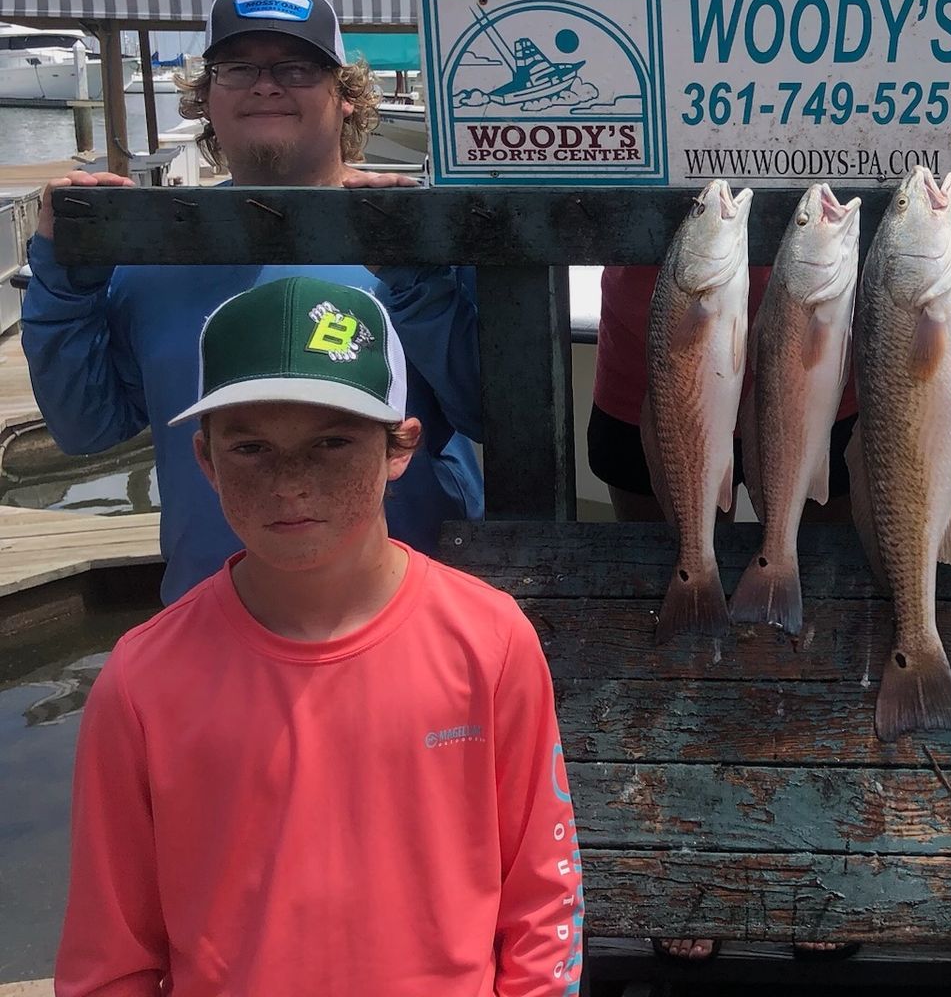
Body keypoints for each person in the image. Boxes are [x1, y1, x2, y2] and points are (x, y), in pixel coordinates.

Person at [55, 275, 584, 994]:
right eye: (251, 449)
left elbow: (542, 898)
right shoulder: (140, 682)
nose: (290, 483)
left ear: (400, 447)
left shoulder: (489, 642)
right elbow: (111, 955)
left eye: (332, 442)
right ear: (205, 459)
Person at [589, 0, 852, 964]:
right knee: (677, 637)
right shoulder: (614, 21)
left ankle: (819, 858)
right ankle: (685, 856)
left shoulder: (848, 17)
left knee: (821, 623)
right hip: (656, 387)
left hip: (811, 385)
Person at [23, 0, 483, 604]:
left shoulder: (425, 235)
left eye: (297, 68)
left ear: (345, 95)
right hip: (210, 624)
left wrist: (421, 282)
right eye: (238, 68)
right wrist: (64, 277)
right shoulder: (151, 255)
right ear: (206, 96)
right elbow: (86, 428)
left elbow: (489, 413)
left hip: (414, 622)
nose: (267, 84)